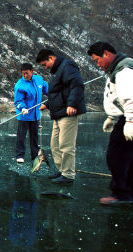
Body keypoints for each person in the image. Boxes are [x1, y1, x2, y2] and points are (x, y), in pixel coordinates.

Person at [87, 42, 133, 204]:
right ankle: (127, 191)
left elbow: (129, 97)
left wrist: (130, 121)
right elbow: (115, 96)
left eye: (97, 60)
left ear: (106, 54)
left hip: (130, 117)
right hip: (124, 117)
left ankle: (121, 193)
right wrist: (112, 117)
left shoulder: (124, 70)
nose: (97, 64)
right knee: (127, 155)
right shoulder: (115, 69)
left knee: (116, 155)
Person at [36, 49, 86, 184]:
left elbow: (77, 86)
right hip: (58, 113)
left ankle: (68, 174)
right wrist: (47, 104)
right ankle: (62, 170)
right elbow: (58, 93)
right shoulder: (57, 71)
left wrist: (72, 104)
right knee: (55, 145)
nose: (45, 67)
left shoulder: (67, 66)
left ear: (51, 58)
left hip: (68, 112)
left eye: (44, 64)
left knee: (66, 145)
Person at [14, 63, 48, 163]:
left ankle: (35, 155)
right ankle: (20, 155)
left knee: (34, 137)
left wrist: (53, 94)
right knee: (21, 136)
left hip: (35, 115)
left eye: (27, 73)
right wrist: (23, 108)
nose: (25, 75)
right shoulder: (20, 85)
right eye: (23, 74)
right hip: (24, 116)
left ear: (32, 71)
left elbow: (46, 89)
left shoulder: (39, 80)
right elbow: (18, 101)